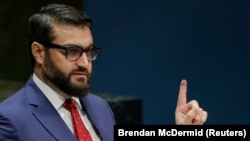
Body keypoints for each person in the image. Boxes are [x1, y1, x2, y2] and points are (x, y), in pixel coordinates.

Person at [0, 3, 207, 141]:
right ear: (39, 52)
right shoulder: (10, 120)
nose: (84, 62)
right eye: (71, 51)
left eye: (88, 51)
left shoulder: (100, 108)